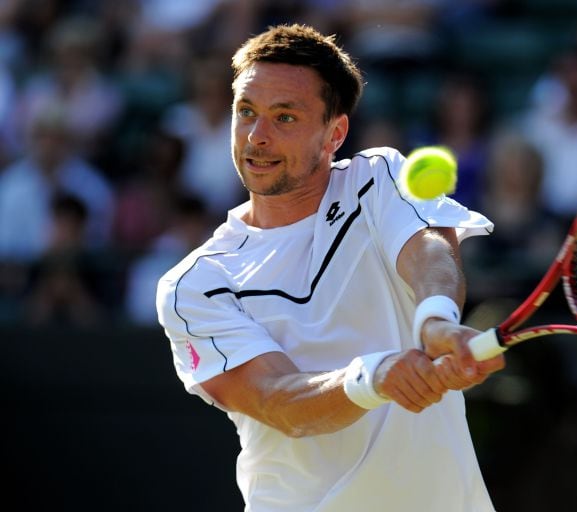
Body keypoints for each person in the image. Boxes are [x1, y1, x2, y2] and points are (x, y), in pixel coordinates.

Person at [156, 24, 505, 512]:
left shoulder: (378, 177)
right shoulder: (195, 287)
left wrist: (435, 319)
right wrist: (375, 376)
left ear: (334, 133)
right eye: (246, 112)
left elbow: (428, 247)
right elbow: (278, 401)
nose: (257, 136)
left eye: (285, 117)